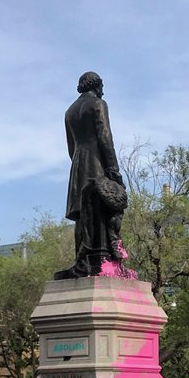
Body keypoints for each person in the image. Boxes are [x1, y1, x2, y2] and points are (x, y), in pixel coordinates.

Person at [56, 71, 126, 279]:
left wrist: (79, 164)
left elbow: (71, 147)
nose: (103, 91)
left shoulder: (69, 112)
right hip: (96, 162)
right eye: (101, 86)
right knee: (104, 207)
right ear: (96, 86)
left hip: (78, 164)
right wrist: (113, 169)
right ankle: (103, 257)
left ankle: (83, 258)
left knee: (83, 213)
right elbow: (105, 137)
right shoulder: (98, 104)